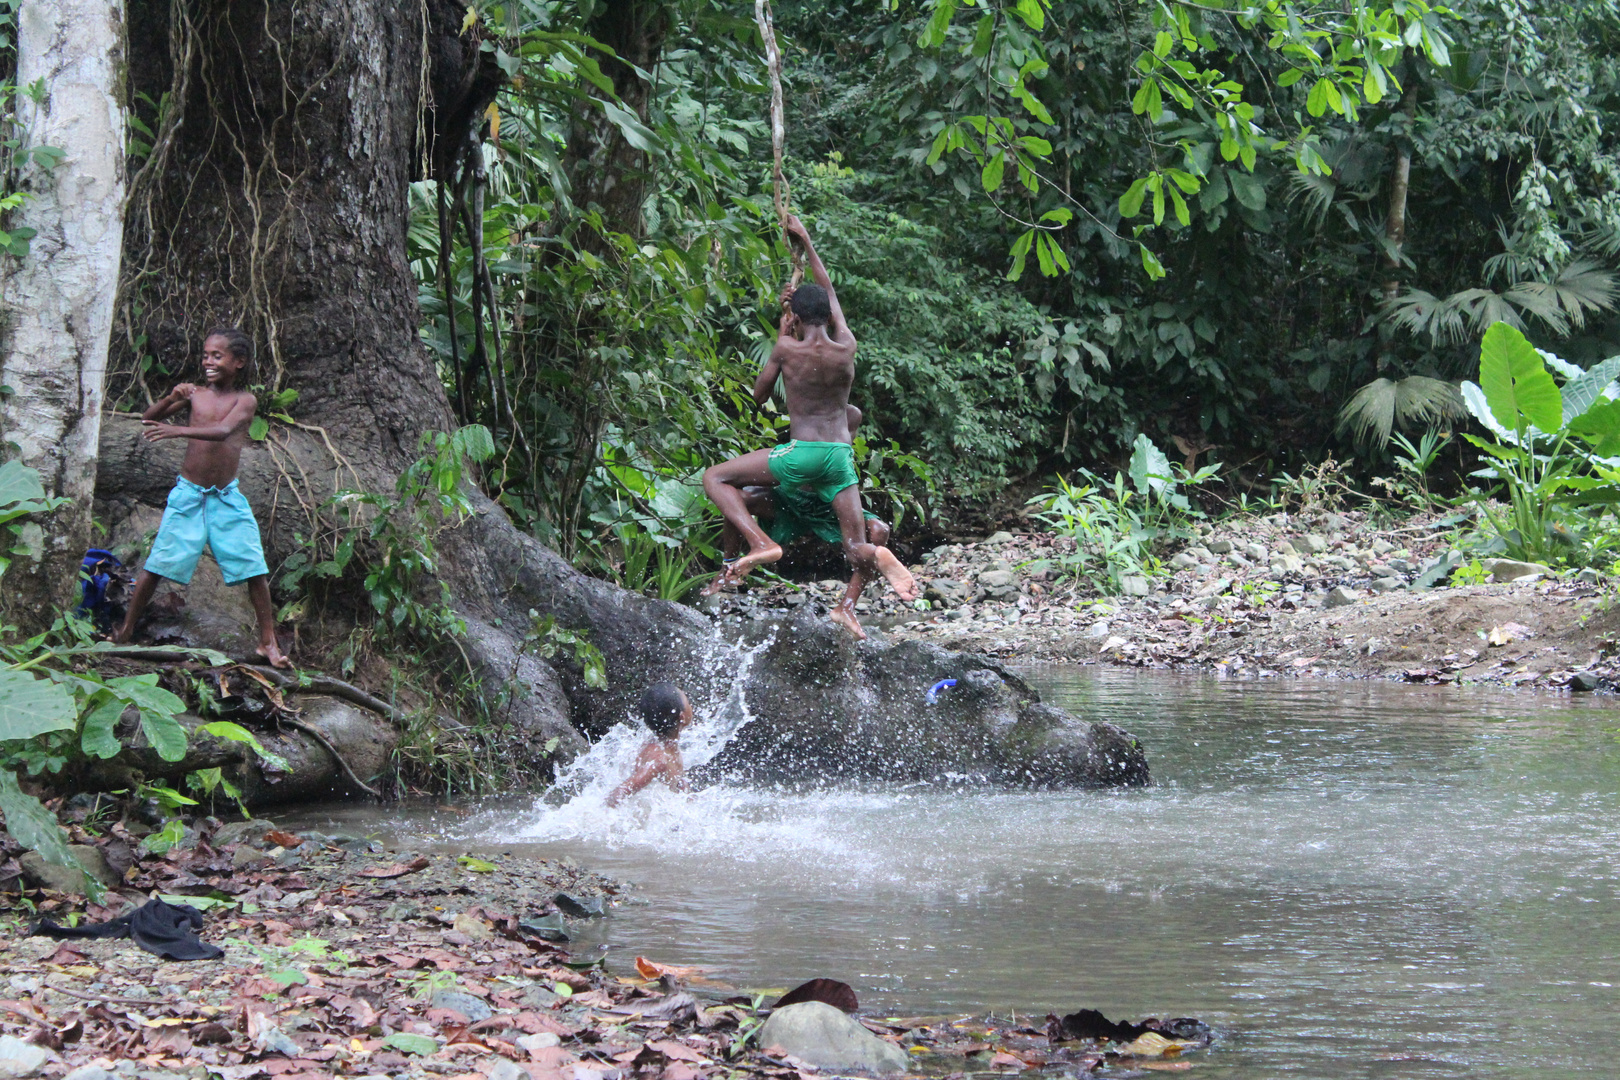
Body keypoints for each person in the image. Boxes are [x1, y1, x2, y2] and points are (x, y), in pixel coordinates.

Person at [701, 214, 918, 631]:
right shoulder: (846, 348)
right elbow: (830, 293)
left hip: (801, 456)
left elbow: (759, 396)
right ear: (826, 318)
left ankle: (759, 544)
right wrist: (806, 240)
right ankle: (853, 595)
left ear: (796, 319)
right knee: (856, 546)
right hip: (838, 458)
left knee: (716, 478)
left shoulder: (786, 348)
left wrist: (784, 335)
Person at [107, 328, 291, 669]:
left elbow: (222, 432)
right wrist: (170, 397)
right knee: (157, 564)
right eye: (206, 355)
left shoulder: (245, 400)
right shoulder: (196, 394)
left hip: (225, 497)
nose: (208, 361)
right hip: (189, 494)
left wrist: (178, 430)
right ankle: (126, 630)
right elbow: (150, 417)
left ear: (238, 362)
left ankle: (268, 642)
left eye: (217, 356)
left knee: (253, 567)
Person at [714, 406, 890, 640]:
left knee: (879, 530)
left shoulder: (851, 415)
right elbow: (758, 401)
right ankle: (729, 564)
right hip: (790, 495)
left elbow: (838, 463)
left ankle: (847, 607)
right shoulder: (803, 403)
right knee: (736, 498)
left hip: (828, 500)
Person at [605, 682, 694, 807]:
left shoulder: (669, 746)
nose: (691, 706)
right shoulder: (659, 760)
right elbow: (622, 790)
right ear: (682, 717)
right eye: (688, 703)